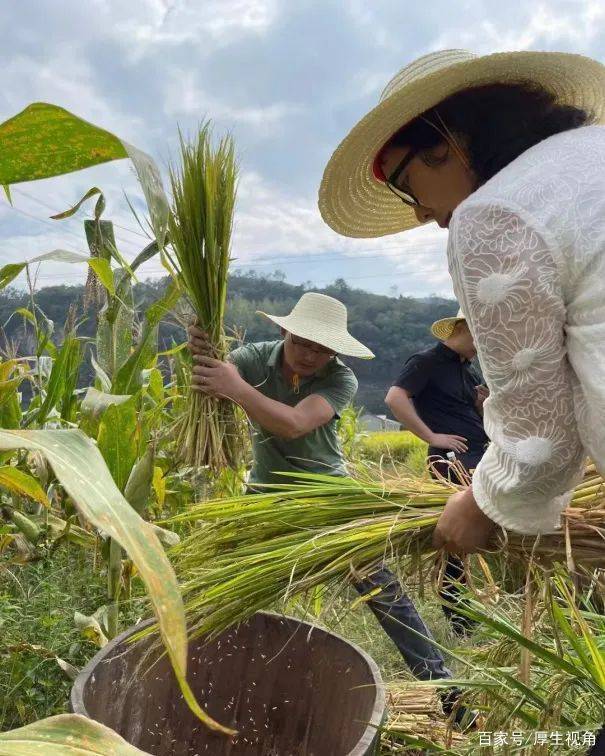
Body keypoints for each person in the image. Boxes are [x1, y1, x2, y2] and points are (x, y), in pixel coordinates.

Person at [319, 48, 605, 558]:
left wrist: (480, 503)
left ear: (445, 141)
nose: (424, 214)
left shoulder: (494, 212)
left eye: (408, 189)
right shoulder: (590, 155)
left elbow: (542, 433)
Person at [188, 291, 474, 725]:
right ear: (285, 330)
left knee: (385, 595)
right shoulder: (252, 360)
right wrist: (204, 354)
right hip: (265, 496)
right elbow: (211, 377)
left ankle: (443, 689)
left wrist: (236, 387)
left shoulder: (341, 380)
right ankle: (206, 680)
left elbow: (294, 424)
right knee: (220, 588)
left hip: (328, 496)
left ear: (336, 351)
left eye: (322, 348)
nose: (309, 355)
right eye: (302, 342)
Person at [386, 309, 487, 635]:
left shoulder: (468, 370)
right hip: (451, 460)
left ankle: (467, 614)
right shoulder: (426, 361)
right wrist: (431, 436)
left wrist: (482, 404)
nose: (483, 345)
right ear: (465, 327)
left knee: (471, 537)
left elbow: (473, 414)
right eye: (481, 334)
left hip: (477, 455)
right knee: (458, 542)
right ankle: (461, 620)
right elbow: (395, 397)